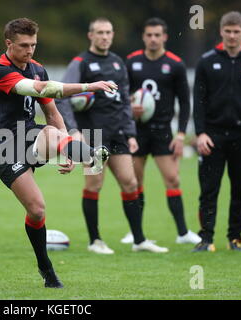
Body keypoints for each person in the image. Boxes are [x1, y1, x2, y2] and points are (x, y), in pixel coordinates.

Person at [0, 17, 116, 288]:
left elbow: (52, 112)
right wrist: (89, 86)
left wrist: (65, 151)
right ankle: (47, 270)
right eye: (23, 45)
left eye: (33, 44)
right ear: (9, 43)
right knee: (37, 210)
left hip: (31, 135)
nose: (30, 50)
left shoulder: (37, 68)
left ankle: (89, 154)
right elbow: (41, 89)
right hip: (4, 147)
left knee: (52, 132)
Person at [56, 17, 169, 254]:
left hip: (118, 134)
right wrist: (74, 131)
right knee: (94, 184)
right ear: (90, 35)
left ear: (113, 34)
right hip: (93, 135)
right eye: (100, 32)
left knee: (130, 182)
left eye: (108, 32)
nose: (105, 36)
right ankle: (95, 241)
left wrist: (130, 133)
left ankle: (139, 240)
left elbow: (125, 101)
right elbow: (62, 97)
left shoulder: (118, 63)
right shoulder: (80, 62)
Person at [193, 11, 241, 252]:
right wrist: (200, 133)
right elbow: (198, 101)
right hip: (213, 136)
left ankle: (235, 239)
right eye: (228, 31)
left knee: (240, 189)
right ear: (221, 32)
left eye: (236, 31)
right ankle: (206, 239)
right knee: (209, 190)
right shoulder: (207, 61)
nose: (232, 35)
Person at [122, 17, 201, 245]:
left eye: (158, 35)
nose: (153, 39)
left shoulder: (175, 64)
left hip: (164, 133)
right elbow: (120, 97)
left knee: (173, 179)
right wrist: (130, 106)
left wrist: (180, 135)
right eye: (149, 35)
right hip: (136, 132)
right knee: (135, 182)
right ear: (144, 37)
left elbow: (185, 104)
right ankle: (134, 232)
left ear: (165, 37)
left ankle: (183, 233)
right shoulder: (132, 62)